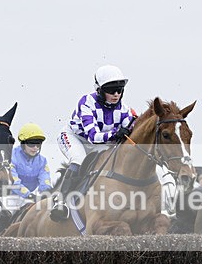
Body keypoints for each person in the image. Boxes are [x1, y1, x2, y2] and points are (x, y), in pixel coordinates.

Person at [51, 65, 136, 221]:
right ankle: (60, 201)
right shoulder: (87, 102)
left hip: (100, 143)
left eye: (119, 89)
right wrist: (115, 133)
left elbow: (129, 131)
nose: (116, 94)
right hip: (75, 138)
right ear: (100, 90)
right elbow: (93, 136)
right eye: (111, 90)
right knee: (78, 159)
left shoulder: (124, 109)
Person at [11, 123, 52, 200]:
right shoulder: (11, 157)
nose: (35, 148)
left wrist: (46, 193)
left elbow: (45, 181)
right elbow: (14, 183)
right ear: (23, 144)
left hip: (31, 197)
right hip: (10, 198)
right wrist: (29, 195)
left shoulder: (42, 161)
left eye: (38, 145)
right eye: (32, 144)